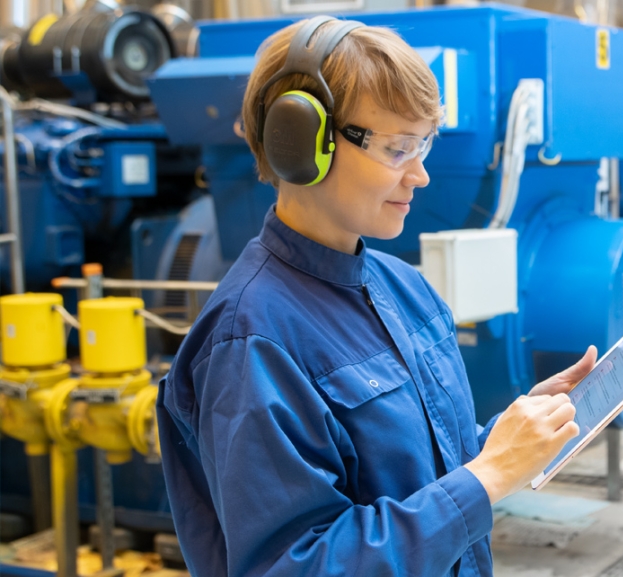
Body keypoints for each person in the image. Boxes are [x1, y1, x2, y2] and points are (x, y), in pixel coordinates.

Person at [156, 15, 596, 577]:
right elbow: (296, 565)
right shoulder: (252, 342)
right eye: (397, 149)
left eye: (424, 145)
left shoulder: (403, 286)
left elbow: (426, 474)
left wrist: (516, 436)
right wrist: (488, 479)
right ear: (300, 142)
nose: (421, 176)